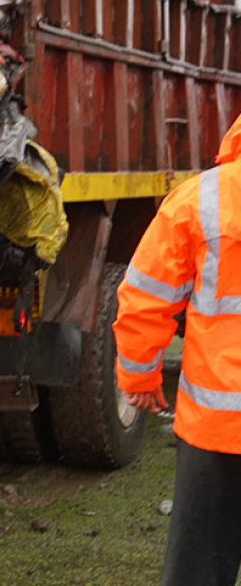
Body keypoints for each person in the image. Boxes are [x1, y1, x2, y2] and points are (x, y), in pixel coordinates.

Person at [115, 111, 241, 586]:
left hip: (215, 429)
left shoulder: (200, 198)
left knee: (198, 572)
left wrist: (139, 377)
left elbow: (144, 298)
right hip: (214, 425)